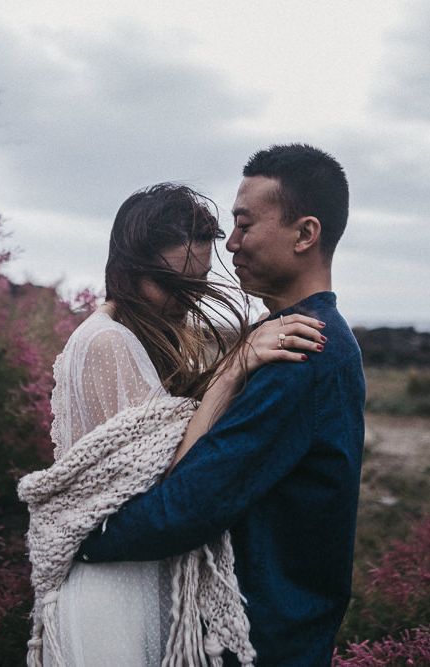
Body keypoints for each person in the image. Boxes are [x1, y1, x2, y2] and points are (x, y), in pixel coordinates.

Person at [76, 144, 366, 666]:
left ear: (305, 234)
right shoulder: (284, 338)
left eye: (244, 224)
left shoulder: (301, 349)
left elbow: (189, 506)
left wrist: (87, 539)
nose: (230, 245)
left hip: (265, 644)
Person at [22, 182, 325, 666]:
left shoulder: (142, 335)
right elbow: (165, 488)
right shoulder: (107, 343)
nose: (186, 300)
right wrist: (229, 376)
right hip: (114, 594)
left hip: (139, 580)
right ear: (126, 266)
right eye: (172, 284)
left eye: (198, 283)